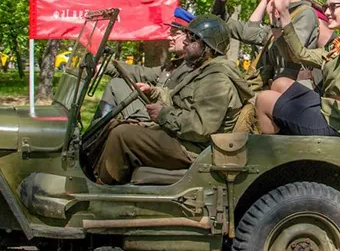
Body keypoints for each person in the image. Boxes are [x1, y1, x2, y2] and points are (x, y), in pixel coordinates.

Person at [94, 15, 253, 185]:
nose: (185, 41)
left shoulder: (216, 79)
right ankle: (97, 176)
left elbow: (201, 128)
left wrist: (163, 115)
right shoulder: (203, 70)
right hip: (184, 140)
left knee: (122, 135)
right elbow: (180, 99)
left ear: (208, 47)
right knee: (115, 126)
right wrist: (154, 93)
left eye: (193, 38)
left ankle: (101, 189)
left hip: (193, 149)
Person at [256, 0, 340, 138]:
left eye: (333, 6)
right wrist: (281, 18)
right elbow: (300, 54)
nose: (327, 13)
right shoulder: (339, 42)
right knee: (280, 83)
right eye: (326, 7)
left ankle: (280, 151)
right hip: (331, 110)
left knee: (263, 99)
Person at [210, 0, 320, 91]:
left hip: (294, 91)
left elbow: (291, 54)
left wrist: (278, 19)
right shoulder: (277, 11)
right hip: (272, 88)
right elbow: (248, 34)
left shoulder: (305, 13)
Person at [93, 7, 195, 122]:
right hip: (154, 113)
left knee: (119, 126)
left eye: (175, 33)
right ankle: (97, 130)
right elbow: (141, 72)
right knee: (116, 84)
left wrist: (152, 92)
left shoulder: (193, 68)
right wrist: (103, 66)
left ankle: (101, 131)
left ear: (189, 37)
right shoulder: (173, 65)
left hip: (165, 120)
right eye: (170, 33)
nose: (169, 37)